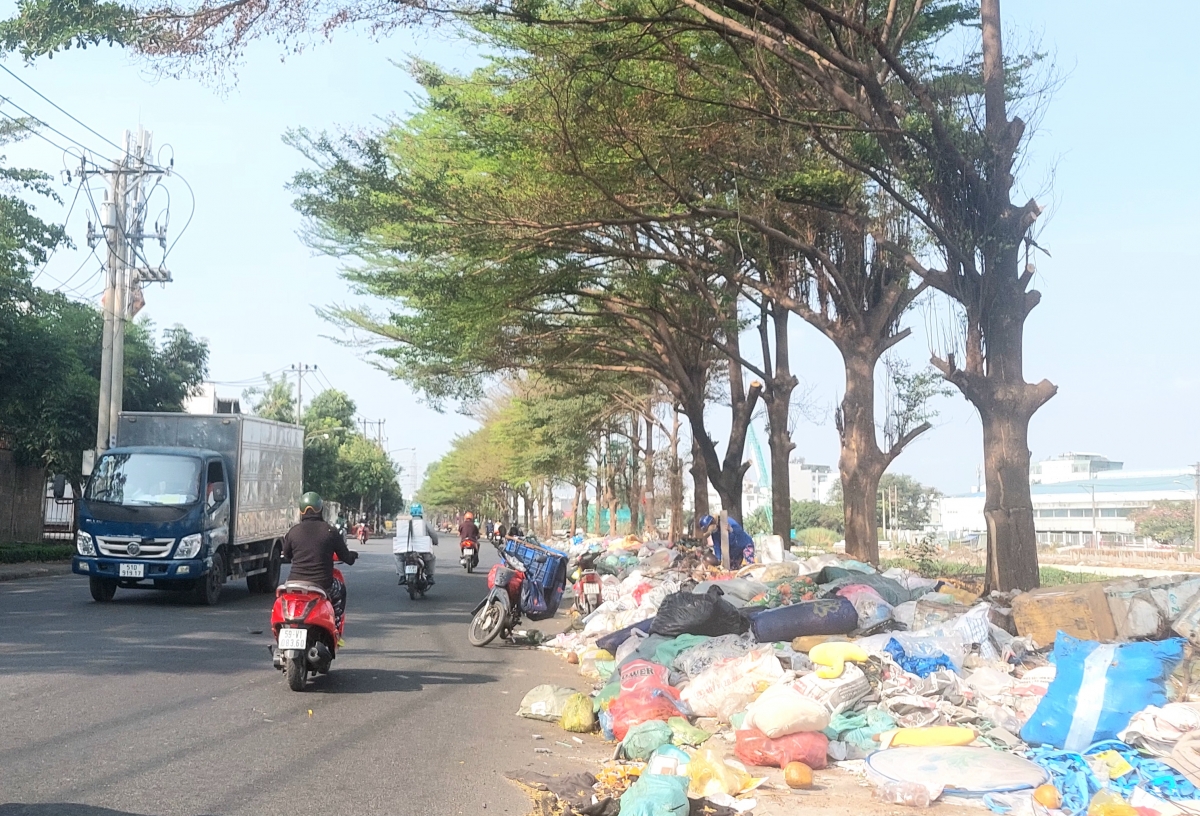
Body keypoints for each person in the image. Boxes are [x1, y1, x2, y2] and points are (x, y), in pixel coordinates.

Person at [281, 492, 357, 630]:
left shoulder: (293, 531)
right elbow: (347, 558)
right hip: (322, 585)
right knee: (340, 591)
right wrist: (353, 556)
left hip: (294, 583)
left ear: (301, 511)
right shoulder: (330, 531)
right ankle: (336, 628)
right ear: (321, 510)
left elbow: (286, 555)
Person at [394, 503, 438, 585]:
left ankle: (402, 576)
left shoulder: (403, 523)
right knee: (431, 559)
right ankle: (429, 576)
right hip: (423, 552)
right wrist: (435, 542)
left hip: (405, 551)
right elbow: (433, 534)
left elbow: (399, 536)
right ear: (421, 512)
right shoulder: (425, 523)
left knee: (398, 558)